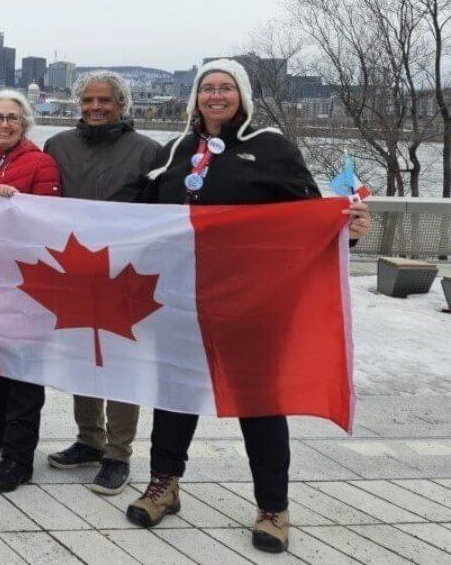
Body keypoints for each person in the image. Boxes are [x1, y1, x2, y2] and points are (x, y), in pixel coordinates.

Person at [125, 59, 370, 555]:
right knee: (175, 396)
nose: (216, 96)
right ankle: (164, 484)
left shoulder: (271, 146)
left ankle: (273, 507)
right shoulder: (176, 151)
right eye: (207, 88)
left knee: (259, 403)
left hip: (253, 303)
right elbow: (135, 216)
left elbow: (310, 216)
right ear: (195, 97)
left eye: (226, 88)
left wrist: (348, 228)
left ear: (243, 96)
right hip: (181, 300)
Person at [42, 71, 162, 495]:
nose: (95, 108)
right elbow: (42, 203)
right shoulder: (57, 146)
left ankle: (118, 453)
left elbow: (163, 217)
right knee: (82, 359)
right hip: (74, 273)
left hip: (123, 277)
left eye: (105, 101)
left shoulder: (149, 152)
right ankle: (89, 439)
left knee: (120, 365)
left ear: (121, 105)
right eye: (88, 100)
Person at [0, 90, 62, 492]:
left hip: (26, 280)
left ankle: (19, 457)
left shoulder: (41, 163)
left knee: (24, 369)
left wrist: (20, 206)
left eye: (12, 118)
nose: (4, 124)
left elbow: (51, 220)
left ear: (25, 124)